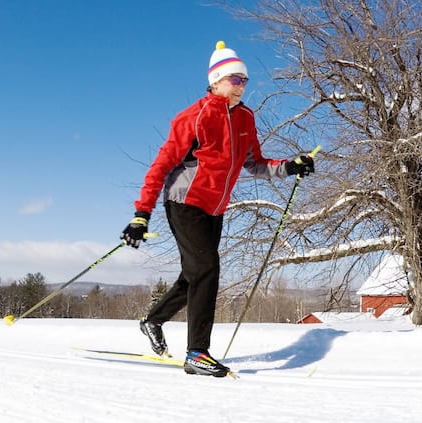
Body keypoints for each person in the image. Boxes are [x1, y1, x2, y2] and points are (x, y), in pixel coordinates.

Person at [122, 41, 316, 377]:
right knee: (207, 269)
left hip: (215, 209)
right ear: (216, 81)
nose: (241, 85)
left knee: (195, 275)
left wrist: (290, 166)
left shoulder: (245, 118)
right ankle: (197, 352)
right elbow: (160, 166)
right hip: (185, 202)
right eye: (235, 79)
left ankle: (153, 320)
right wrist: (141, 214)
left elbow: (255, 164)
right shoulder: (193, 118)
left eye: (244, 80)